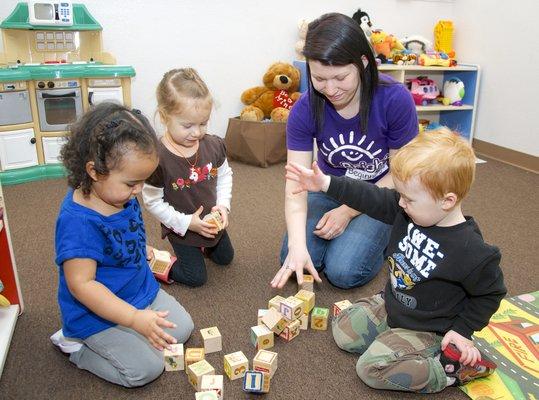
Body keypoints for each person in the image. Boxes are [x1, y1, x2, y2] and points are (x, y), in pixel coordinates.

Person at [285, 128, 506, 392]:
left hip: (429, 328)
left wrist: (461, 331)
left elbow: (490, 294)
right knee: (343, 331)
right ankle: (388, 321)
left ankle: (449, 370)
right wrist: (326, 184)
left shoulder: (474, 251)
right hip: (395, 305)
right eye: (400, 195)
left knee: (370, 368)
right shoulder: (409, 211)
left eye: (408, 198)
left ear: (447, 201)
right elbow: (369, 196)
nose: (400, 203)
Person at [50, 103, 194, 387]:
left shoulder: (120, 194)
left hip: (138, 291)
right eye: (132, 183)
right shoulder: (78, 222)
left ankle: (133, 331)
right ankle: (75, 346)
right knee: (145, 371)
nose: (138, 190)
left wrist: (142, 249)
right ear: (94, 171)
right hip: (94, 314)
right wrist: (132, 318)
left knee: (183, 330)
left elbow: (127, 231)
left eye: (142, 181)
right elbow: (82, 285)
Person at [271, 13, 418, 290]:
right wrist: (297, 245)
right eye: (319, 78)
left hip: (380, 192)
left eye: (340, 77)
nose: (331, 89)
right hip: (328, 187)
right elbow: (297, 184)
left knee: (345, 272)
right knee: (296, 258)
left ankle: (394, 230)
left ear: (363, 63)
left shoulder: (395, 99)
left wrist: (348, 211)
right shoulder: (304, 108)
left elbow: (402, 175)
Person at [142, 68, 234, 287]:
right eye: (187, 125)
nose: (197, 133)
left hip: (211, 224)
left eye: (203, 123)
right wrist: (186, 223)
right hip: (181, 228)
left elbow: (224, 176)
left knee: (225, 258)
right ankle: (156, 263)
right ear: (165, 117)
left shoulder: (212, 145)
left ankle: (205, 246)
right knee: (196, 279)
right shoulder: (157, 158)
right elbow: (152, 202)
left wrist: (223, 206)